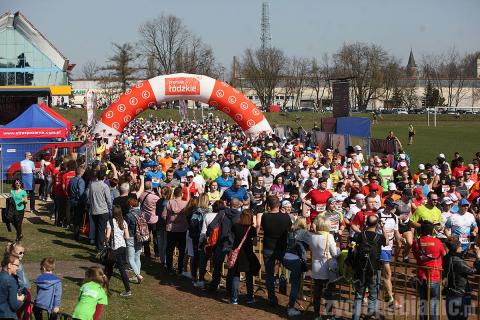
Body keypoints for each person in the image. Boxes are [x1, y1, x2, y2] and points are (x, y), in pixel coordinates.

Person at [351, 214, 386, 320]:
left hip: (360, 269)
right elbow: (387, 242)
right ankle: (371, 317)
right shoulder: (379, 237)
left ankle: (355, 318)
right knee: (373, 295)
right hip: (374, 269)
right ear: (377, 224)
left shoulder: (361, 235)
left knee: (358, 296)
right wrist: (383, 228)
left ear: (366, 223)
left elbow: (355, 247)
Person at [260, 195, 292, 307]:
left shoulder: (265, 216)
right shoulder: (286, 217)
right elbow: (289, 229)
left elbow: (263, 228)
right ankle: (285, 288)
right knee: (286, 270)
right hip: (282, 248)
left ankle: (271, 297)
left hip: (268, 248)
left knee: (269, 274)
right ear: (279, 205)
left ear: (268, 206)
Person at [412, 221, 446, 320]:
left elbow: (415, 256)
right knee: (433, 302)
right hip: (434, 276)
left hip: (421, 275)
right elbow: (443, 254)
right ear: (432, 231)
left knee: (423, 301)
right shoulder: (437, 242)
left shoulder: (416, 242)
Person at [443, 237, 480, 320]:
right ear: (456, 248)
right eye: (460, 246)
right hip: (460, 295)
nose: (461, 247)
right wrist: (478, 258)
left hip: (450, 292)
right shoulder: (458, 262)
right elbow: (474, 271)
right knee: (461, 317)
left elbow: (457, 256)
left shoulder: (446, 258)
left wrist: (466, 249)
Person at [229, 209, 260, 305]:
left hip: (237, 254)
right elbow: (255, 243)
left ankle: (234, 298)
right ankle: (250, 297)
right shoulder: (252, 229)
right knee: (249, 277)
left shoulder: (235, 226)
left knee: (235, 276)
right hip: (248, 254)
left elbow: (232, 238)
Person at [282, 217, 308, 316]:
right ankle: (291, 308)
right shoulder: (304, 233)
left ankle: (294, 299)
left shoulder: (290, 231)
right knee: (295, 286)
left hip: (286, 258)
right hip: (296, 259)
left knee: (295, 281)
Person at [105, 205, 131, 297]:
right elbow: (127, 237)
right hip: (123, 248)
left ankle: (127, 290)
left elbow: (107, 236)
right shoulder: (124, 222)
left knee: (109, 269)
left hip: (114, 249)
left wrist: (106, 240)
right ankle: (104, 286)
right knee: (112, 267)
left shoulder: (110, 222)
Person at [162, 186, 189, 275]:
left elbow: (163, 216)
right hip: (182, 229)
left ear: (174, 194)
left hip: (171, 228)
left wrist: (168, 220)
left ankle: (169, 268)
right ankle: (180, 268)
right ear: (181, 194)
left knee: (169, 249)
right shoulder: (186, 203)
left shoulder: (169, 203)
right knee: (181, 250)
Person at [87, 169, 112, 251]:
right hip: (103, 211)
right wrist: (110, 207)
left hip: (94, 210)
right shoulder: (105, 186)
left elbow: (89, 197)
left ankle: (98, 245)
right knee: (101, 229)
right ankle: (100, 247)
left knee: (98, 228)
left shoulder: (92, 185)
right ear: (104, 177)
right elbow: (108, 199)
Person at [138, 181, 160, 259]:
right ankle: (157, 253)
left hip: (144, 219)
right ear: (151, 187)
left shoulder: (141, 195)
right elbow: (160, 201)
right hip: (153, 219)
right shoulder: (154, 197)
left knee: (146, 237)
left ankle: (147, 253)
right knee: (155, 237)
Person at [124, 197, 144, 284]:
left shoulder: (129, 215)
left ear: (130, 205)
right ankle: (137, 276)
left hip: (131, 237)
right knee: (137, 257)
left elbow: (125, 227)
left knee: (130, 258)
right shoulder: (141, 213)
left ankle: (138, 275)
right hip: (140, 237)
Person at [0, 254, 24, 319]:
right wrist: (20, 300)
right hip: (7, 314)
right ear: (9, 265)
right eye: (17, 265)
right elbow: (14, 305)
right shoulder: (11, 281)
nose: (18, 268)